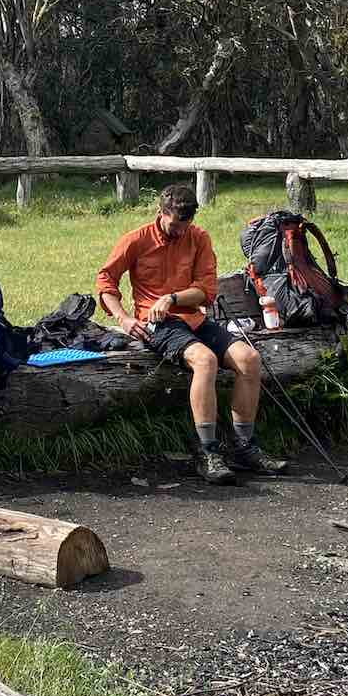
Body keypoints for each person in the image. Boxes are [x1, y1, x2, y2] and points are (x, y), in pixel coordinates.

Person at [95, 182, 287, 484]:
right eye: (174, 227)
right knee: (205, 360)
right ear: (160, 213)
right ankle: (207, 452)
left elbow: (207, 291)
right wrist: (123, 318)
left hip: (194, 319)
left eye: (186, 226)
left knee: (249, 358)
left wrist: (172, 298)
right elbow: (106, 281)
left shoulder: (199, 238)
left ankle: (244, 448)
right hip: (159, 325)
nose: (180, 233)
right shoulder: (136, 240)